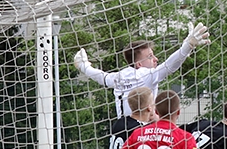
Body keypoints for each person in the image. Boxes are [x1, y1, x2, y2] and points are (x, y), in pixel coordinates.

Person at [73, 24, 211, 118]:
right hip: (141, 134)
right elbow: (170, 66)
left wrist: (84, 66)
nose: (155, 59)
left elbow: (101, 77)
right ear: (139, 64)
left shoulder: (119, 76)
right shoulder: (146, 75)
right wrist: (187, 46)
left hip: (121, 131)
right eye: (150, 57)